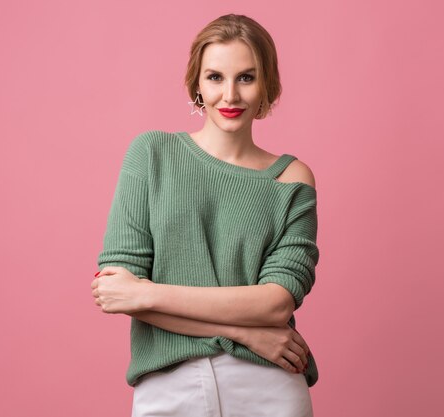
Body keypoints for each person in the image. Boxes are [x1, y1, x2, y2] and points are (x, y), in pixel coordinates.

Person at [91, 13, 319, 417]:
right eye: (215, 77)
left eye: (246, 78)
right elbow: (116, 291)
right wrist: (242, 332)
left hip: (268, 386)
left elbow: (276, 304)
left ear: (268, 84)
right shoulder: (151, 155)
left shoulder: (292, 178)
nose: (229, 95)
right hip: (169, 384)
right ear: (196, 83)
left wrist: (149, 292)